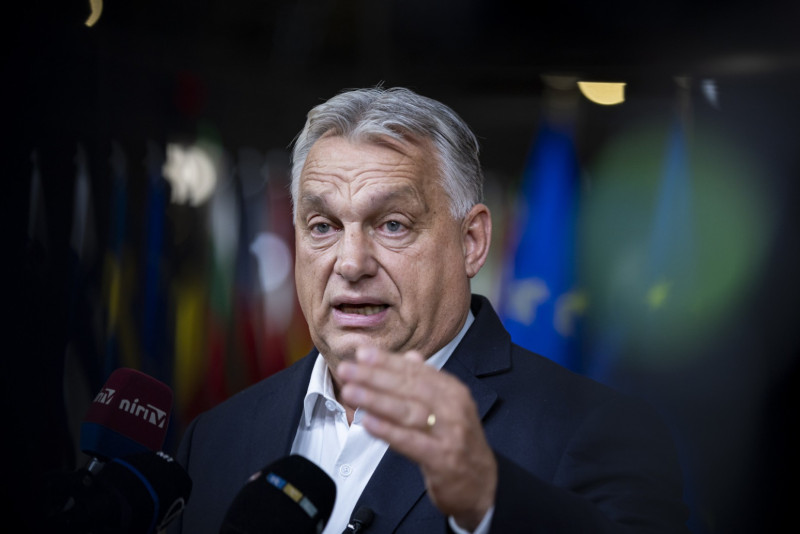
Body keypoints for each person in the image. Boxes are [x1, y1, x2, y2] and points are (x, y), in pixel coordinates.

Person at [171, 86, 690, 533]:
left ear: (471, 242)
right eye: (323, 226)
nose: (350, 263)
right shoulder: (214, 438)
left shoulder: (596, 430)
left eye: (392, 224)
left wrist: (488, 500)